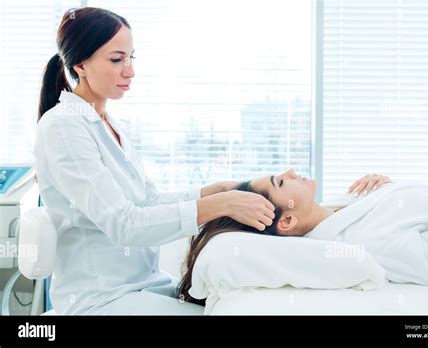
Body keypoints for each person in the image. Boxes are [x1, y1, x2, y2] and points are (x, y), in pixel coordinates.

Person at [35, 7, 279, 315]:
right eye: (116, 59)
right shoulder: (63, 127)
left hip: (143, 285)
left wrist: (211, 191)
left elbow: (146, 200)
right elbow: (124, 224)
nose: (130, 71)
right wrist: (223, 205)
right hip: (101, 299)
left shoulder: (109, 125)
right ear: (81, 64)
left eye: (131, 58)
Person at [178, 169, 428, 306]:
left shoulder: (347, 204)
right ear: (287, 220)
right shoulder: (368, 241)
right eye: (280, 182)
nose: (291, 171)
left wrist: (390, 186)